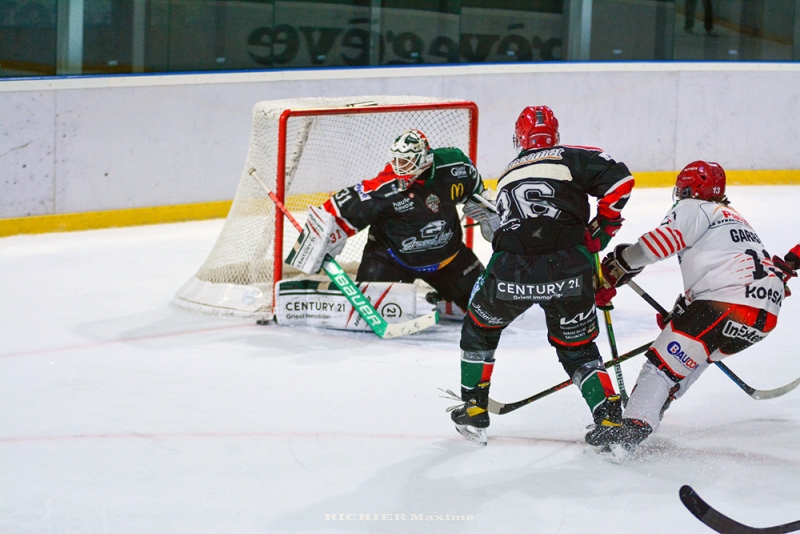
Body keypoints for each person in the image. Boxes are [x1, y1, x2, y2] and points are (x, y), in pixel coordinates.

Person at [447, 105, 635, 445]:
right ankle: (608, 417)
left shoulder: (506, 173)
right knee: (577, 348)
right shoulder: (573, 155)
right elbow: (620, 181)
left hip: (511, 270)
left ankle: (474, 408)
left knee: (480, 328)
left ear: (519, 139)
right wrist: (604, 227)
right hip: (568, 269)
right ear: (556, 134)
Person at [589, 161, 797, 457]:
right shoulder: (736, 220)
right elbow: (729, 271)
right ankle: (644, 419)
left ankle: (630, 431)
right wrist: (684, 313)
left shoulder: (694, 208)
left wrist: (621, 262)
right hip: (762, 318)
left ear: (688, 189)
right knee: (687, 362)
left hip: (726, 304)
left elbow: (657, 245)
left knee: (661, 369)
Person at [286, 129, 499, 313]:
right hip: (391, 262)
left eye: (406, 161)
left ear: (424, 158)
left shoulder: (454, 166)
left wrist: (482, 205)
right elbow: (336, 209)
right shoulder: (385, 186)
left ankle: (448, 300)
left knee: (490, 305)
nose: (399, 167)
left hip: (447, 259)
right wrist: (319, 237)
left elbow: (474, 187)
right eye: (396, 160)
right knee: (382, 311)